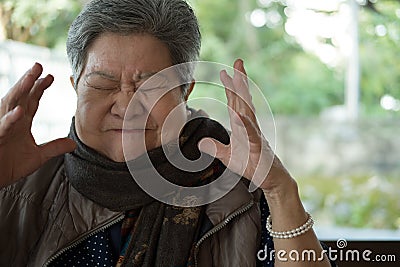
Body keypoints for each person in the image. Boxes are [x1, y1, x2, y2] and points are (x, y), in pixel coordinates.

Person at [0, 0, 336, 266]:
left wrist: (281, 191)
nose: (127, 105)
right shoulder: (17, 179)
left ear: (185, 92)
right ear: (75, 88)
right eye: (103, 84)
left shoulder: (240, 186)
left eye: (151, 86)